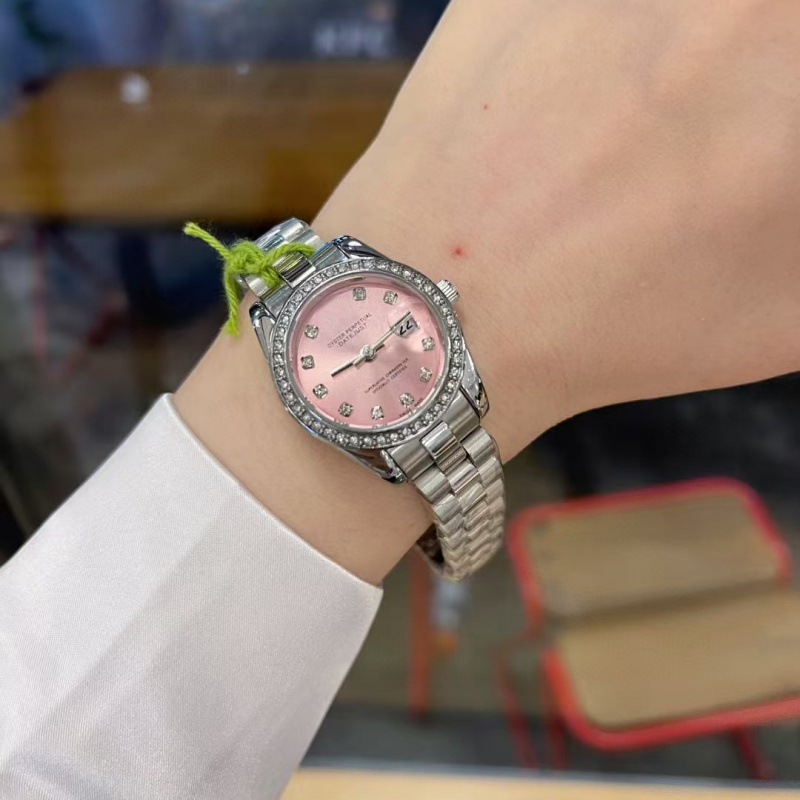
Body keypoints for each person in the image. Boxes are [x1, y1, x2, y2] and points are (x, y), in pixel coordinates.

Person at [3, 1, 800, 797]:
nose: (369, 351)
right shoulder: (298, 358)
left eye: (375, 335)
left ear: (430, 298)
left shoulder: (387, 306)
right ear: (303, 390)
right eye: (349, 355)